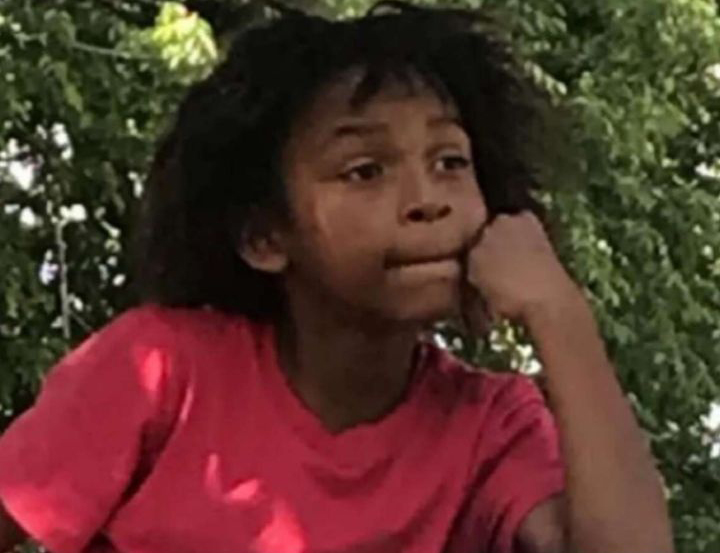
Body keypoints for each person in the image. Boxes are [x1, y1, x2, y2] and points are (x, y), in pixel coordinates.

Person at [0, 3, 673, 553]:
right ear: (265, 237)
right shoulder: (158, 369)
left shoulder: (491, 424)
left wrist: (559, 310)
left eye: (450, 161)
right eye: (364, 170)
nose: (427, 199)